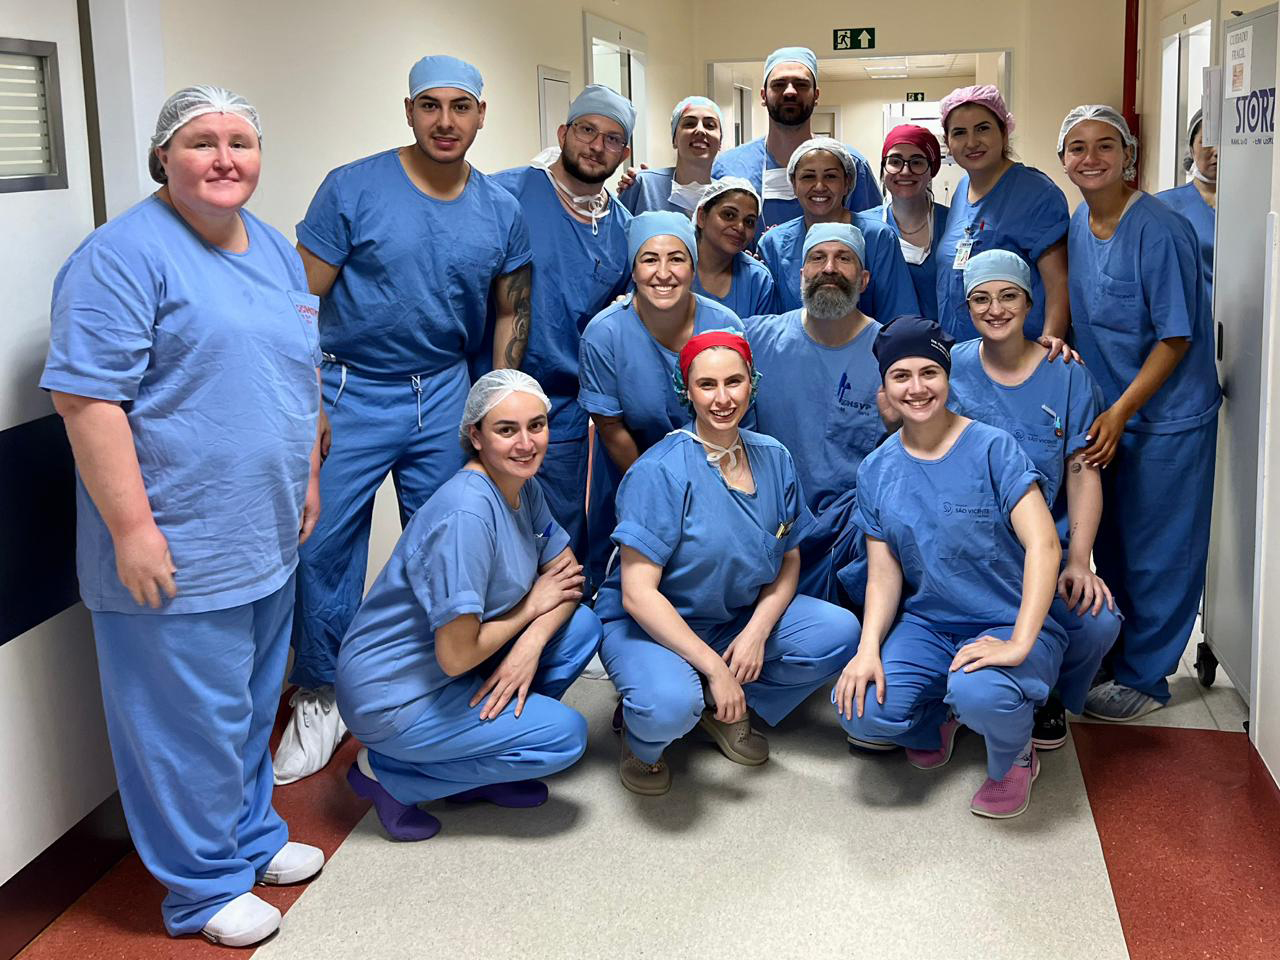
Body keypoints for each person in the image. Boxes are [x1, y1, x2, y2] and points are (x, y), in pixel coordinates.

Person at [41, 86, 324, 947]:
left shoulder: (270, 248)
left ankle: (249, 839)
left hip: (264, 531)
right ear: (164, 155)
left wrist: (308, 473)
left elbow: (299, 368)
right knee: (183, 726)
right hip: (178, 539)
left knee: (248, 708)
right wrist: (132, 530)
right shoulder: (122, 256)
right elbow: (87, 400)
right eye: (203, 142)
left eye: (242, 140)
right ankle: (201, 888)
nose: (225, 158)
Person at [279, 55, 534, 784]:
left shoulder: (500, 209)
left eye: (461, 107)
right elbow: (299, 301)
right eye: (430, 105)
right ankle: (322, 691)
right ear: (409, 111)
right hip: (349, 388)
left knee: (455, 541)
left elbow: (511, 310)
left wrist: (494, 403)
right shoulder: (353, 188)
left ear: (481, 115)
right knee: (323, 544)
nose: (445, 121)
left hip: (446, 389)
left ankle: (427, 679)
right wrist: (307, 401)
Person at [336, 370, 599, 841]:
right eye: (506, 429)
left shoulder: (521, 487)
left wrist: (530, 645)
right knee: (564, 738)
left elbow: (569, 579)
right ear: (475, 436)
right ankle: (389, 776)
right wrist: (529, 611)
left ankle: (478, 764)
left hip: (456, 667)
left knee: (580, 627)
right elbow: (456, 655)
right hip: (394, 694)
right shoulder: (467, 515)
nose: (526, 444)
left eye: (536, 426)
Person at [596, 331, 861, 795]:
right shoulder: (660, 471)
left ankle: (718, 708)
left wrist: (756, 632)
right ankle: (642, 738)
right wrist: (717, 669)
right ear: (687, 391)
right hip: (651, 625)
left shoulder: (773, 458)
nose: (723, 399)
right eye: (707, 385)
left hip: (731, 616)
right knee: (667, 706)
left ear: (751, 384)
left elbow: (789, 559)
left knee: (838, 632)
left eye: (734, 382)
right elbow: (638, 595)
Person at [834, 316, 1066, 819]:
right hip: (930, 625)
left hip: (1005, 617)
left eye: (929, 373)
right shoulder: (877, 469)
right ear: (885, 386)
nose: (917, 388)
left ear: (947, 376)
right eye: (901, 376)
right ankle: (941, 715)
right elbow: (884, 574)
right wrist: (868, 649)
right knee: (860, 708)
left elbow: (1045, 545)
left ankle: (1014, 756)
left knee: (981, 692)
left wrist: (1019, 641)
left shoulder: (993, 448)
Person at [1058, 105, 1221, 721]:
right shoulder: (1080, 222)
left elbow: (1175, 337)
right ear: (1063, 160)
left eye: (1106, 145)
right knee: (1115, 541)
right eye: (1077, 147)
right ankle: (1119, 650)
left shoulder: (1160, 229)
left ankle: (1148, 677)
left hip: (1166, 418)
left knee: (1160, 552)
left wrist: (1123, 409)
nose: (1091, 158)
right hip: (1111, 413)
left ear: (1129, 155)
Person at [949, 250, 1121, 748]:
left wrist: (1080, 561)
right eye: (981, 298)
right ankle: (963, 691)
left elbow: (1082, 473)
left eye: (1008, 296)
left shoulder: (1065, 374)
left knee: (1096, 621)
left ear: (1030, 302)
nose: (995, 309)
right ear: (967, 306)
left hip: (1044, 549)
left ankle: (1049, 695)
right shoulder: (951, 367)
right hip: (968, 550)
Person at [493, 84, 635, 564]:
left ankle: (561, 613)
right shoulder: (505, 194)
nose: (596, 146)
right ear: (562, 134)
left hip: (562, 411)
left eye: (612, 139)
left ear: (624, 152)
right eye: (586, 131)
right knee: (486, 529)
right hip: (487, 389)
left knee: (557, 538)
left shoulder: (621, 228)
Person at [579, 211, 747, 588]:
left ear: (693, 267)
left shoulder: (724, 326)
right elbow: (611, 428)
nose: (664, 273)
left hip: (715, 473)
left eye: (677, 258)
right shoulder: (605, 334)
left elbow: (736, 417)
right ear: (633, 269)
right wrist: (661, 493)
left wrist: (706, 495)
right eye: (650, 259)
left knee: (710, 579)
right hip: (633, 470)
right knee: (632, 585)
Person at [746, 223, 884, 604]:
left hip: (850, 537)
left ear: (864, 279)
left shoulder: (889, 354)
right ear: (801, 274)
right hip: (770, 528)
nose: (829, 268)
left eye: (844, 258)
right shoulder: (756, 339)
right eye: (818, 257)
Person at [935, 85, 1070, 343]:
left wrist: (1048, 346)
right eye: (959, 132)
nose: (972, 142)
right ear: (948, 143)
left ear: (1004, 132)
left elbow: (1058, 284)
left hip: (1018, 352)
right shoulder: (962, 190)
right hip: (961, 350)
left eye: (983, 128)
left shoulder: (1036, 193)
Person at [713, 47, 879, 235]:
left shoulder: (852, 164)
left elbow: (874, 235)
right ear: (763, 96)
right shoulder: (729, 167)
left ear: (816, 96)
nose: (790, 92)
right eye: (779, 84)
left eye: (801, 84)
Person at [757, 137, 918, 319]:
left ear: (847, 183)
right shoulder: (774, 244)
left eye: (830, 176)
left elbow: (899, 317)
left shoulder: (877, 237)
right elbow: (769, 322)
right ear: (794, 184)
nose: (819, 186)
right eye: (808, 177)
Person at [870, 124, 949, 322]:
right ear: (884, 168)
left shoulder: (953, 223)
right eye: (895, 161)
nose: (905, 171)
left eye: (917, 162)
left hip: (946, 338)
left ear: (932, 170)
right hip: (881, 338)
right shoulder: (864, 227)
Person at [619, 96, 723, 216]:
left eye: (710, 125)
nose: (700, 130)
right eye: (689, 124)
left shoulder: (728, 196)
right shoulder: (644, 186)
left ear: (720, 142)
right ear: (674, 139)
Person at [691, 177, 777, 317]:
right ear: (702, 217)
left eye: (749, 222)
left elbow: (763, 330)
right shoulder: (673, 266)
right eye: (729, 215)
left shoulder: (757, 279)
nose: (740, 227)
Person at [1157, 109, 1216, 304]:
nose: (1217, 151)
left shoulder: (1257, 207)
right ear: (1191, 148)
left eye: (1226, 142)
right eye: (1207, 141)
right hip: (1189, 316)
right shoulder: (1165, 206)